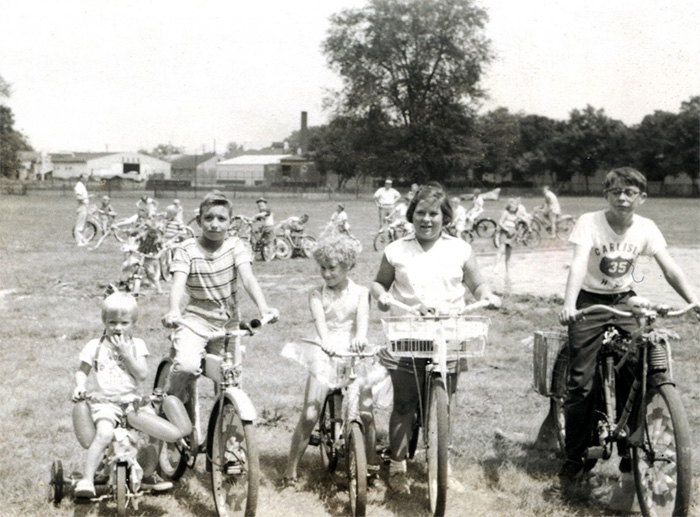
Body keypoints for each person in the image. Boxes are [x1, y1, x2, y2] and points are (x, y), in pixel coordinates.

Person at [556, 167, 700, 490]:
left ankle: (628, 454)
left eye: (630, 192)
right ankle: (574, 460)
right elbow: (579, 263)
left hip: (624, 299)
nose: (622, 198)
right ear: (605, 195)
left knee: (637, 369)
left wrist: (694, 300)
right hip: (590, 300)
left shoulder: (646, 228)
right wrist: (569, 304)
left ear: (642, 198)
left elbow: (669, 267)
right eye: (616, 192)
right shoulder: (589, 223)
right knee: (580, 383)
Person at [370, 183, 501, 495]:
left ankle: (442, 467)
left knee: (441, 405)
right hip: (408, 335)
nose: (426, 220)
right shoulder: (396, 250)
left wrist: (488, 294)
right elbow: (378, 285)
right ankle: (399, 466)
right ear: (410, 216)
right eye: (420, 213)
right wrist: (382, 297)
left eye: (433, 214)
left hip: (448, 334)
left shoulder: (459, 249)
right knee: (404, 402)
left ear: (445, 218)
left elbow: (478, 284)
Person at [283, 234, 383, 486]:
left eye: (332, 268)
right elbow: (320, 323)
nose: (326, 274)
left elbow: (362, 321)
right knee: (309, 413)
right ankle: (290, 471)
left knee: (367, 412)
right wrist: (325, 340)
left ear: (348, 266)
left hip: (353, 349)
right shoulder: (316, 294)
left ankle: (369, 465)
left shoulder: (361, 293)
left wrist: (360, 337)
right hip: (325, 349)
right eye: (322, 268)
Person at [161, 191, 278, 401]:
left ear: (231, 222)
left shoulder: (236, 246)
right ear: (199, 221)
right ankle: (168, 404)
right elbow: (178, 283)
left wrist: (264, 308)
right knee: (187, 366)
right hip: (195, 321)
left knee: (231, 380)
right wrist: (174, 310)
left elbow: (248, 278)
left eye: (221, 219)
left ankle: (227, 429)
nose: (215, 224)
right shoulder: (187, 249)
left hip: (228, 322)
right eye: (208, 218)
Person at [72, 292, 172, 498]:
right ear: (104, 321)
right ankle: (87, 479)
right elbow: (82, 370)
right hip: (106, 402)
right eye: (112, 322)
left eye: (124, 323)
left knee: (156, 430)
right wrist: (80, 385)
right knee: (105, 433)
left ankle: (149, 473)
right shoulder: (95, 346)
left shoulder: (137, 345)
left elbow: (142, 374)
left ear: (133, 322)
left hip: (132, 401)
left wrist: (126, 354)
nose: (118, 328)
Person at [493, 198, 520, 284]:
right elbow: (500, 222)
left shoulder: (516, 215)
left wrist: (517, 234)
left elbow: (517, 225)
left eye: (515, 206)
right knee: (501, 250)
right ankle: (496, 267)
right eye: (512, 206)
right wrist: (506, 229)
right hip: (505, 232)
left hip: (512, 233)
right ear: (509, 206)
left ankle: (507, 270)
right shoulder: (506, 213)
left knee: (509, 252)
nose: (514, 208)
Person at [74, 174, 90, 246]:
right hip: (82, 206)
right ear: (81, 178)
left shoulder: (83, 186)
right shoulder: (79, 186)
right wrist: (87, 197)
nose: (87, 179)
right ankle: (79, 242)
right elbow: (78, 197)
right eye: (85, 177)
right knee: (79, 226)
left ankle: (83, 240)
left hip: (85, 206)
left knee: (83, 225)